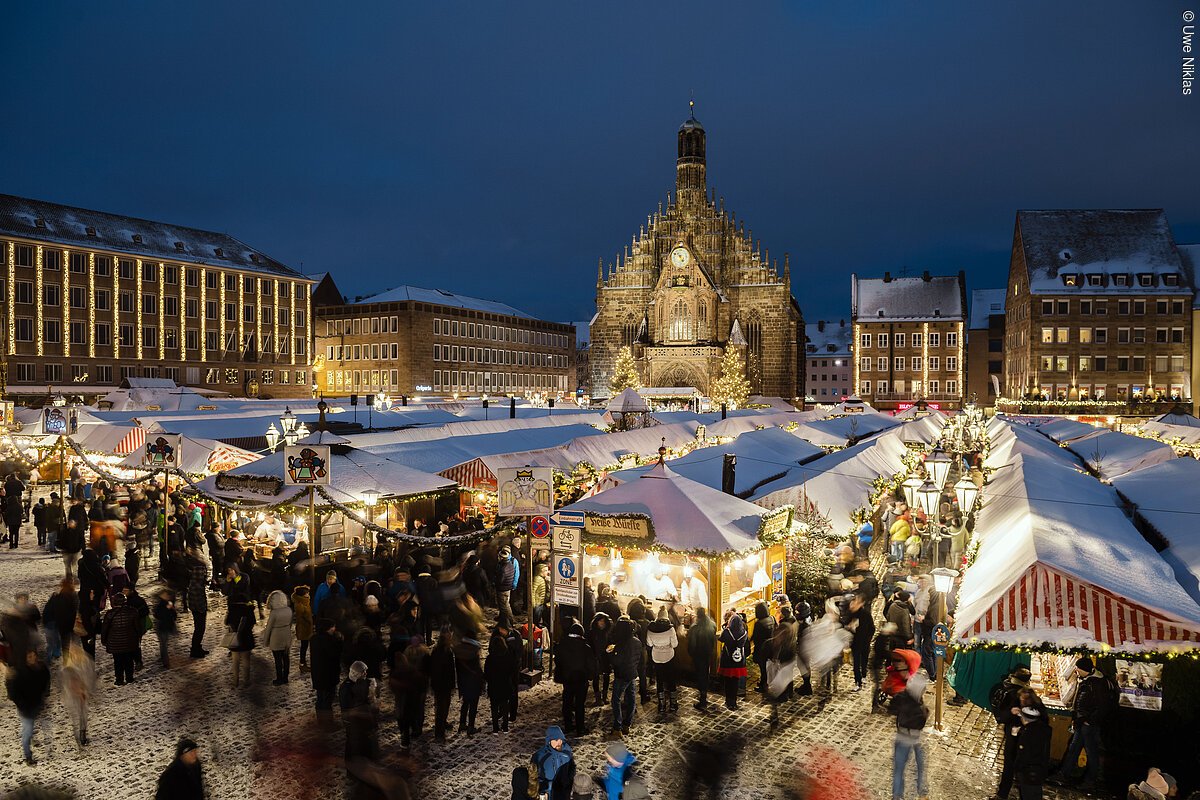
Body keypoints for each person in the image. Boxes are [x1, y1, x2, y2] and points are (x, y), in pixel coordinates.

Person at [1050, 656, 1112, 791]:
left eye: (1078, 668)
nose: (1076, 670)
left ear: (1084, 669)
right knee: (1073, 748)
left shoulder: (1096, 683)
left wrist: (1089, 721)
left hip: (1088, 725)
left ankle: (1090, 781)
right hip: (1082, 722)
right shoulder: (1088, 680)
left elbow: (1103, 706)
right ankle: (1064, 774)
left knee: (1091, 753)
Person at [993, 666, 1034, 800]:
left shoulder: (1011, 690)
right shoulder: (1018, 694)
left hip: (1015, 732)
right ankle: (1005, 792)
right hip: (1018, 733)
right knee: (1013, 763)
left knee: (1011, 763)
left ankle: (1003, 793)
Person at [890, 670, 930, 800]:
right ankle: (920, 792)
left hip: (903, 736)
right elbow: (921, 721)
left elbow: (892, 707)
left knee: (900, 768)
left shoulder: (903, 697)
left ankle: (898, 795)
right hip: (911, 738)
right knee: (918, 766)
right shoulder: (917, 707)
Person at [6, 650, 51, 765]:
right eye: (30, 656)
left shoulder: (41, 668)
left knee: (44, 728)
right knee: (27, 732)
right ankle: (28, 756)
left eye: (34, 656)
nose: (33, 658)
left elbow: (46, 680)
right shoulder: (19, 673)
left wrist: (45, 694)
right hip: (26, 709)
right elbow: (12, 692)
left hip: (38, 704)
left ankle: (44, 746)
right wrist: (22, 705)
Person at [554, 621, 596, 735]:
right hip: (581, 679)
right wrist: (590, 675)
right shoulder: (585, 647)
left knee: (567, 702)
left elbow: (557, 660)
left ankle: (568, 725)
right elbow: (591, 664)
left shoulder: (562, 644)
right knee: (579, 704)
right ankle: (580, 728)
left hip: (567, 678)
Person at [608, 616, 640, 734]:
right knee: (631, 698)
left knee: (615, 699)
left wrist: (611, 654)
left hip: (622, 675)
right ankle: (627, 723)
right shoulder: (637, 641)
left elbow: (617, 661)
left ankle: (617, 726)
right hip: (632, 673)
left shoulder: (622, 644)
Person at [60, 640, 96, 745]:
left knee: (82, 715)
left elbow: (90, 676)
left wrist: (86, 690)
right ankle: (80, 735)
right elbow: (65, 681)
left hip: (82, 693)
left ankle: (82, 734)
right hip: (73, 694)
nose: (73, 652)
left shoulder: (85, 661)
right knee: (77, 715)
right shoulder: (67, 665)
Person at [1013, 705, 1052, 800]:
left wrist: (1017, 769)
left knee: (1027, 795)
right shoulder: (1043, 729)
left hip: (1028, 773)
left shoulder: (1027, 734)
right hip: (1040, 771)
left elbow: (1023, 755)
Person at [101, 592, 140, 685]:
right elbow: (137, 627)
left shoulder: (110, 614)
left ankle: (119, 679)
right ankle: (129, 677)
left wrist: (104, 640)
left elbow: (104, 628)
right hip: (129, 641)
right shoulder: (133, 612)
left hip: (115, 642)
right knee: (129, 660)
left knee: (118, 661)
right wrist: (138, 637)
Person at [485, 624, 518, 733]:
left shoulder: (490, 659)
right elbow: (512, 670)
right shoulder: (508, 657)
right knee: (504, 706)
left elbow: (486, 673)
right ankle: (505, 726)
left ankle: (495, 727)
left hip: (494, 686)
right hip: (505, 684)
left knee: (494, 707)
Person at [646, 606, 678, 712]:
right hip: (669, 656)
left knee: (659, 680)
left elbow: (649, 644)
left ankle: (661, 704)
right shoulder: (670, 629)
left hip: (657, 657)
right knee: (671, 679)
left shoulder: (650, 629)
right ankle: (673, 704)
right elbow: (675, 644)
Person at [454, 628, 485, 736]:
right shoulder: (474, 650)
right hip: (473, 682)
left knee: (465, 703)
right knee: (473, 705)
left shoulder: (458, 650)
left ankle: (462, 723)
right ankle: (471, 726)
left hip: (463, 681)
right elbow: (477, 668)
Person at [532, 725, 576, 800]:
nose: (559, 743)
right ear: (549, 741)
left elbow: (572, 766)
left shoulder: (567, 752)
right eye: (555, 740)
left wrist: (568, 781)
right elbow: (534, 776)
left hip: (564, 794)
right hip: (549, 795)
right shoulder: (539, 756)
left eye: (560, 739)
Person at [42, 576, 79, 663]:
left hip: (63, 625)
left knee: (65, 644)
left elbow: (55, 611)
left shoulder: (58, 597)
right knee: (76, 643)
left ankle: (66, 661)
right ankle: (76, 660)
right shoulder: (75, 596)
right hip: (74, 624)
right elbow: (77, 609)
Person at [429, 626, 457, 742]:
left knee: (445, 706)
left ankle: (443, 723)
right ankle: (439, 733)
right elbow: (438, 670)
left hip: (444, 683)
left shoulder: (447, 651)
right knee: (441, 708)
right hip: (441, 684)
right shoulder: (440, 651)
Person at [310, 618, 343, 713]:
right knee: (327, 700)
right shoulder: (329, 640)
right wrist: (340, 642)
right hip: (328, 674)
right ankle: (326, 722)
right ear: (327, 628)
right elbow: (335, 654)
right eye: (333, 627)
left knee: (320, 697)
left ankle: (320, 718)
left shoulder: (314, 638)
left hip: (318, 673)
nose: (334, 628)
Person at [688, 607, 717, 711]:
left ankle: (703, 700)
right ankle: (704, 695)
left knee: (700, 676)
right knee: (705, 674)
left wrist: (691, 655)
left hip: (698, 655)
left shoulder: (695, 628)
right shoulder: (712, 624)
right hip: (708, 654)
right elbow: (714, 639)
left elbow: (692, 645)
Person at [718, 611, 748, 711]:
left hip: (728, 659)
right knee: (735, 681)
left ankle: (728, 701)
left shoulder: (727, 632)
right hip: (739, 661)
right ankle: (734, 701)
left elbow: (721, 639)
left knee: (728, 682)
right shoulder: (743, 633)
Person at [845, 592, 875, 692]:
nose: (855, 603)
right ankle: (858, 682)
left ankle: (864, 675)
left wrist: (869, 639)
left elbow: (872, 628)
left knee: (864, 661)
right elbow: (845, 625)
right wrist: (849, 627)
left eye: (857, 602)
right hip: (855, 642)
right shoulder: (852, 613)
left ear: (862, 603)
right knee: (856, 663)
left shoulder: (866, 614)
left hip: (865, 642)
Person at [263, 589, 294, 685]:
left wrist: (266, 641)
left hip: (276, 636)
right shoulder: (289, 610)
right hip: (286, 634)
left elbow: (268, 628)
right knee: (286, 657)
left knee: (278, 659)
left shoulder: (274, 613)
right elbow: (290, 623)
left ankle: (279, 678)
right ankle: (286, 677)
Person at [184, 546, 210, 658]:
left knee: (199, 628)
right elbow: (197, 597)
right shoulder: (196, 585)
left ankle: (197, 647)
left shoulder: (192, 579)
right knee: (200, 628)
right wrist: (203, 608)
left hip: (195, 605)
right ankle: (195, 649)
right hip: (198, 606)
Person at [750, 601, 776, 693]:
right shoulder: (772, 618)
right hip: (771, 645)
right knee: (767, 666)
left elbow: (756, 637)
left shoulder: (759, 623)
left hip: (762, 648)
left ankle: (763, 684)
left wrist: (750, 641)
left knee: (762, 667)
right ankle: (766, 682)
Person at [588, 612, 613, 706]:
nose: (602, 623)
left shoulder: (608, 633)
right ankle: (598, 698)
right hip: (595, 658)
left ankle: (605, 696)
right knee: (596, 678)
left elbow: (611, 643)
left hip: (605, 658)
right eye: (600, 621)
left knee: (606, 676)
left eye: (604, 621)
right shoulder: (592, 633)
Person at [495, 545, 520, 628]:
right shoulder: (506, 562)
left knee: (505, 605)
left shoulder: (512, 561)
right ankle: (503, 620)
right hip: (507, 585)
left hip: (505, 586)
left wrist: (514, 584)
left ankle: (509, 622)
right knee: (504, 605)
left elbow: (516, 573)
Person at [153, 588, 178, 669]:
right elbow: (157, 615)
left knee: (164, 644)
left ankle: (163, 658)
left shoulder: (169, 604)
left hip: (166, 626)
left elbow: (174, 616)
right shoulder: (160, 605)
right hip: (162, 627)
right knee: (164, 644)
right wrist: (168, 609)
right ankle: (165, 662)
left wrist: (171, 609)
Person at [292, 584, 313, 670]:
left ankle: (303, 663)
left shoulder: (305, 601)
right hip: (304, 629)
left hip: (307, 628)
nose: (308, 594)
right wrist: (309, 621)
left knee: (305, 646)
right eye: (307, 593)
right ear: (302, 595)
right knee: (304, 647)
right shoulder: (300, 605)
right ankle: (302, 664)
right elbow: (300, 618)